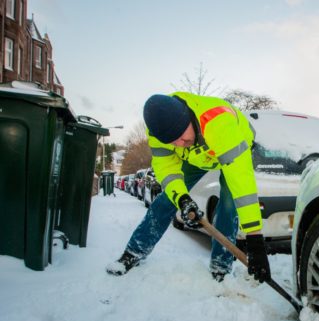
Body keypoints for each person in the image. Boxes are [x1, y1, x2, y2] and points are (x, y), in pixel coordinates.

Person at [106, 92, 270, 283]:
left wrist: (255, 237)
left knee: (228, 205)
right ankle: (134, 251)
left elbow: (243, 185)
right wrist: (183, 199)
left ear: (189, 119)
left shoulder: (219, 123)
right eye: (172, 142)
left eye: (181, 136)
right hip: (197, 156)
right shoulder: (159, 134)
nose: (179, 144)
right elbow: (167, 171)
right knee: (167, 199)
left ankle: (220, 267)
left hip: (229, 147)